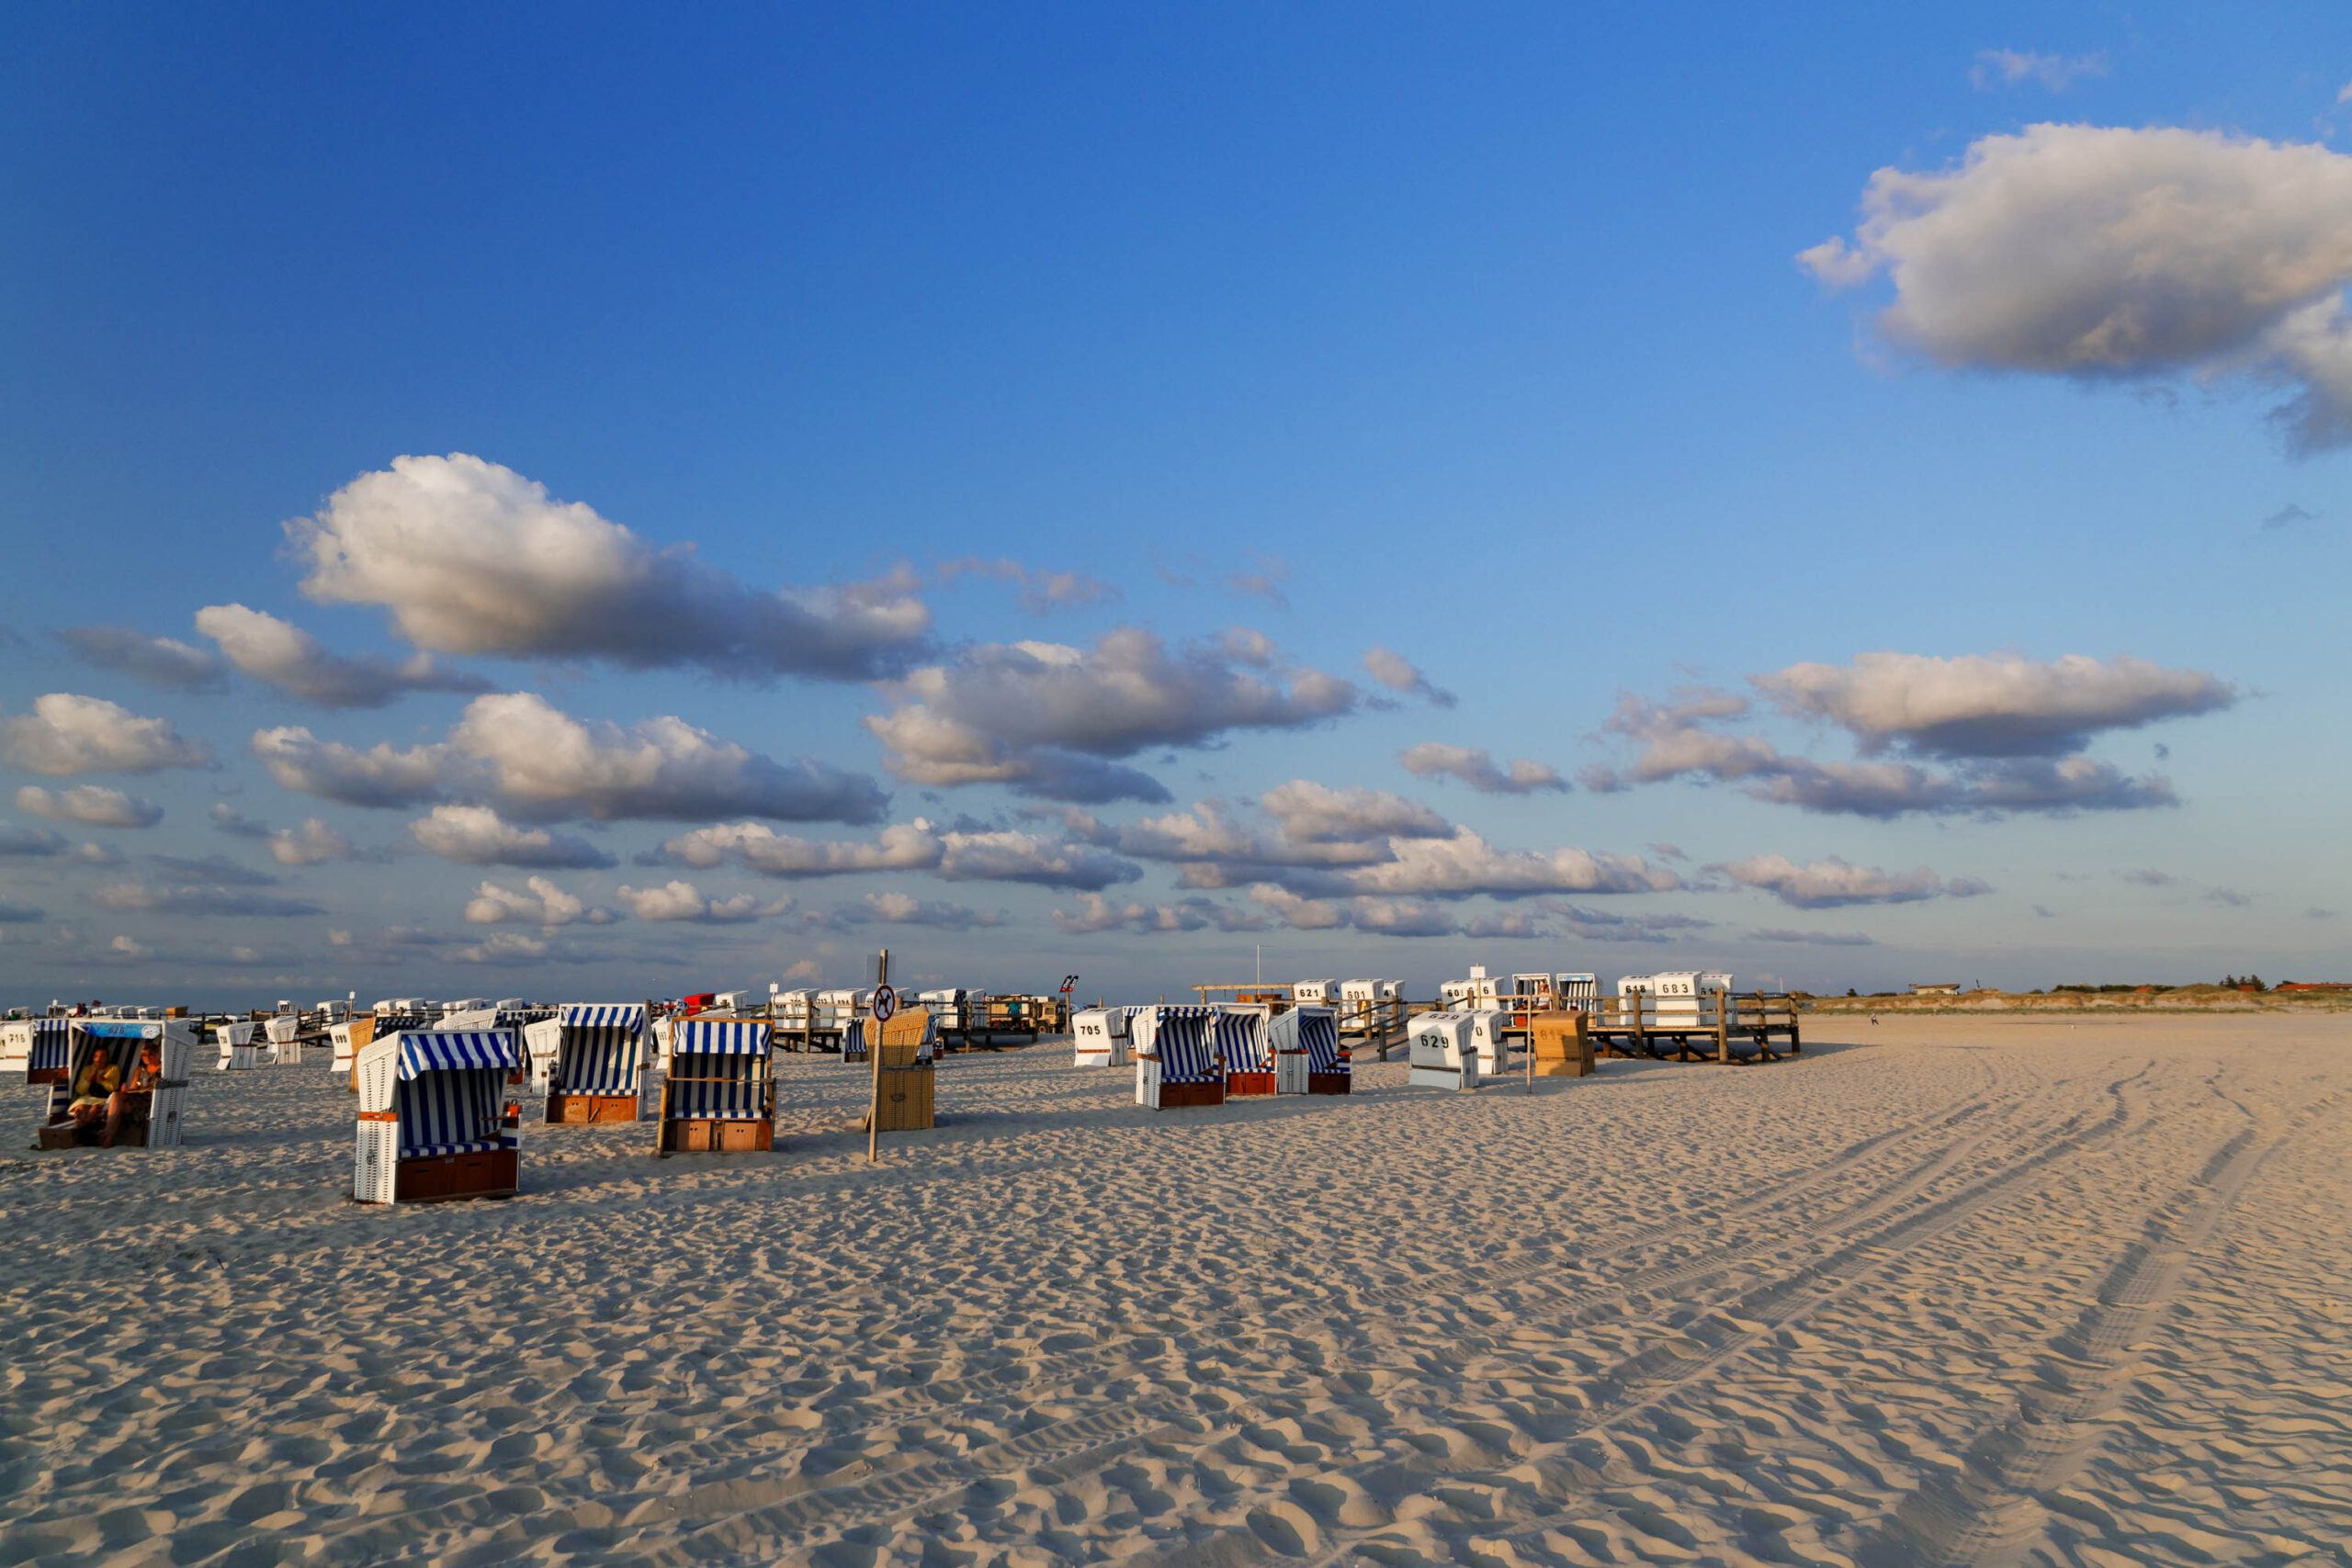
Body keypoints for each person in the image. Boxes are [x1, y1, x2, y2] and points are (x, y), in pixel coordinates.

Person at [103, 1043, 163, 1147]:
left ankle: (108, 1135)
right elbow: (134, 1088)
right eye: (144, 1055)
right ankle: (109, 1134)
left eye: (150, 1055)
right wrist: (126, 1089)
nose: (147, 1058)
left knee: (118, 1107)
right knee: (117, 1095)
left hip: (149, 1099)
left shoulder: (162, 1069)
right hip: (136, 1096)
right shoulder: (139, 1070)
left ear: (157, 1054)